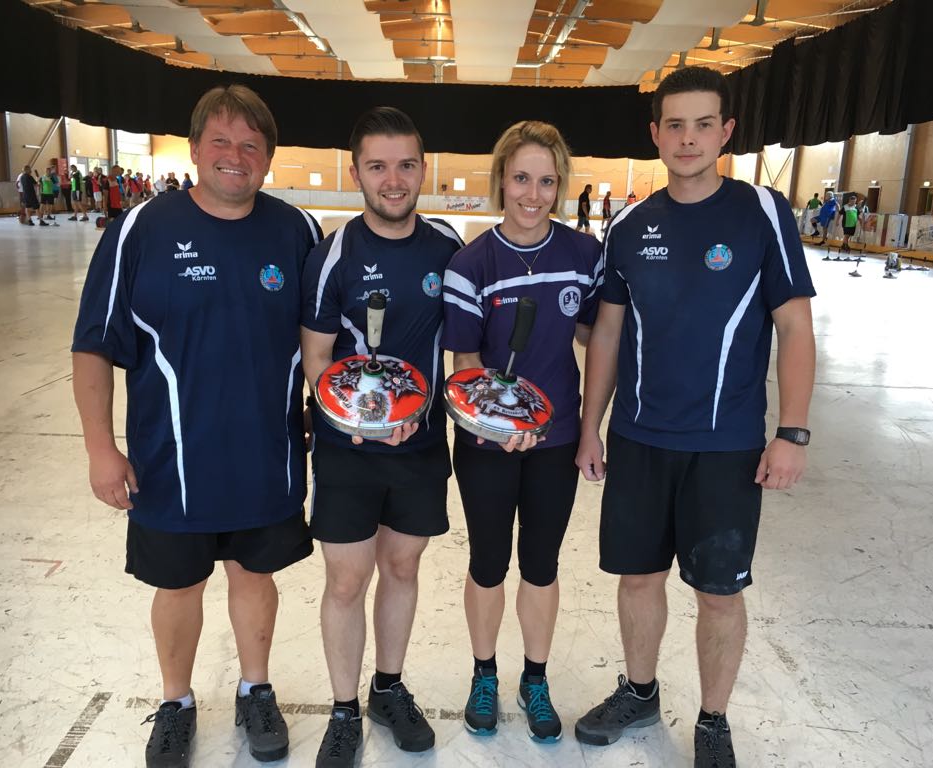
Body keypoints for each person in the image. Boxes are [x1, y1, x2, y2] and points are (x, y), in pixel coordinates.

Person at [71, 84, 322, 768]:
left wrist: (322, 409)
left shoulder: (296, 232)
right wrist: (100, 448)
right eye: (222, 141)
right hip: (169, 461)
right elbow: (93, 345)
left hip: (268, 456)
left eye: (251, 145)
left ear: (268, 157)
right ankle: (176, 703)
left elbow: (321, 338)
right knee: (178, 584)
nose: (235, 155)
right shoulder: (139, 231)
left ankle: (255, 690)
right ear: (194, 148)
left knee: (254, 575)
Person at [573, 66, 816, 768]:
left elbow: (795, 327)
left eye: (703, 124)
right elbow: (608, 333)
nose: (688, 139)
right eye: (674, 125)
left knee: (718, 594)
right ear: (655, 134)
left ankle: (712, 720)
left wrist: (792, 432)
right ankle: (639, 691)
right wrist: (591, 427)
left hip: (726, 447)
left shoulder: (762, 212)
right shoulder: (629, 224)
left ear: (726, 131)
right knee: (638, 579)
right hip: (639, 439)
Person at [300, 106, 463, 768]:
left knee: (402, 567)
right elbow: (316, 361)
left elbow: (467, 344)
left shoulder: (447, 245)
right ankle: (344, 710)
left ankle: (387, 689)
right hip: (348, 451)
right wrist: (362, 419)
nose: (392, 180)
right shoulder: (332, 255)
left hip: (421, 446)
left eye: (405, 165)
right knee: (347, 581)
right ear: (356, 172)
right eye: (377, 166)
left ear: (423, 170)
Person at [441, 120, 603, 744]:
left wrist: (590, 428)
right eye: (520, 179)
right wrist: (499, 422)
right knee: (488, 563)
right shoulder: (470, 263)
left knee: (540, 563)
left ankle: (535, 679)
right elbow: (466, 364)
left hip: (555, 442)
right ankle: (484, 675)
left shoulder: (584, 255)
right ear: (501, 182)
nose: (533, 195)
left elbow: (595, 337)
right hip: (488, 443)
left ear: (560, 185)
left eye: (546, 181)